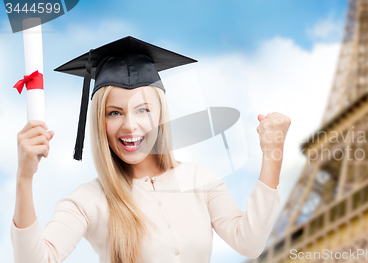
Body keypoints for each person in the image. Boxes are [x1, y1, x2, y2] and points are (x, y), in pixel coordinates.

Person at [11, 36, 291, 263]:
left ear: (160, 116)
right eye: (114, 113)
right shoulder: (88, 201)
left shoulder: (200, 179)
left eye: (143, 110)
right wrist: (24, 178)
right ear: (99, 122)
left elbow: (250, 243)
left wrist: (272, 154)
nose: (130, 126)